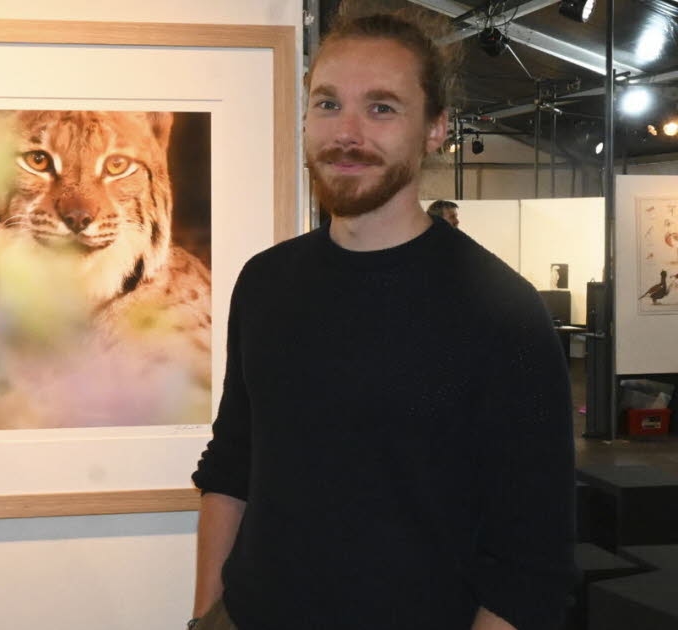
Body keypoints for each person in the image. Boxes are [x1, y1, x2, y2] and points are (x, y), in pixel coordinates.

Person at [190, 10, 575, 630]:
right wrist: (208, 614)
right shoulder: (265, 282)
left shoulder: (503, 313)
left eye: (382, 108)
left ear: (435, 129)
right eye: (327, 103)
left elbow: (531, 561)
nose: (347, 132)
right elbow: (232, 464)